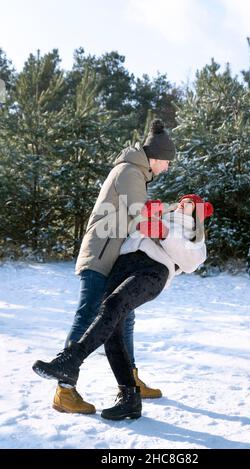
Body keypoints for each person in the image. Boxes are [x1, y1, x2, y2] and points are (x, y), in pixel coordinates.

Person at [33, 194, 213, 420]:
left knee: (113, 305)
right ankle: (129, 398)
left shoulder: (195, 235)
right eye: (183, 200)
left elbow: (191, 262)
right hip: (123, 264)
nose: (184, 203)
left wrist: (164, 233)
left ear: (200, 213)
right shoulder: (161, 213)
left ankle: (71, 360)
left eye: (191, 203)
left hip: (152, 270)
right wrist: (144, 219)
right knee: (112, 329)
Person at [50, 119, 176, 414]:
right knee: (87, 317)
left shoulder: (136, 173)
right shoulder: (130, 171)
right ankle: (64, 390)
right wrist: (176, 224)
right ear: (156, 158)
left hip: (113, 257)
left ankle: (129, 381)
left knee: (125, 316)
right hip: (101, 256)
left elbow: (142, 212)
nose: (168, 168)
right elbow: (143, 216)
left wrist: (173, 209)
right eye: (167, 162)